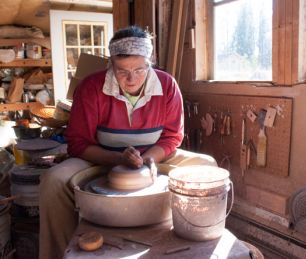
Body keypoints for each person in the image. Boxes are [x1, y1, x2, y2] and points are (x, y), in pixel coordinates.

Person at [39, 26, 217, 259]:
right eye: (122, 71)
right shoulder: (92, 87)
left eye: (140, 69)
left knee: (208, 168)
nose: (132, 78)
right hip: (101, 157)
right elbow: (78, 143)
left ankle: (194, 242)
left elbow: (172, 136)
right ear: (111, 63)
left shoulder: (167, 85)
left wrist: (148, 159)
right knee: (53, 182)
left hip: (153, 156)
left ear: (150, 62)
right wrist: (117, 159)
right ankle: (61, 253)